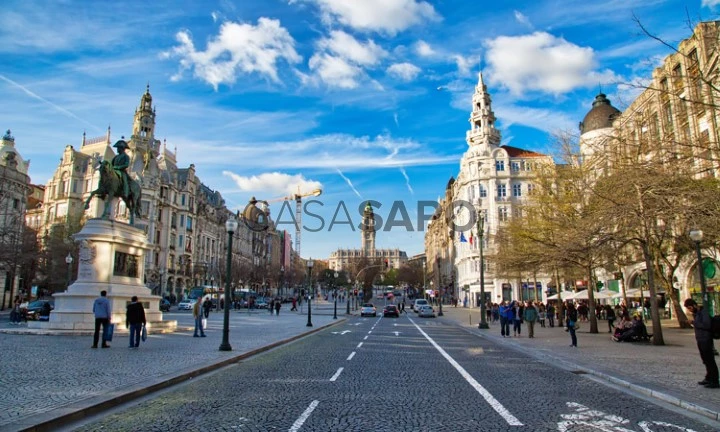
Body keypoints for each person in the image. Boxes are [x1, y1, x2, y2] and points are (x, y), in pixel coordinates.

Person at [684, 299, 718, 389]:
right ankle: (708, 377)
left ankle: (714, 380)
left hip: (706, 339)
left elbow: (706, 325)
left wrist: (693, 322)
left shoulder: (704, 312)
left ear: (694, 305)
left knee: (710, 360)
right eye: (688, 309)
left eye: (690, 308)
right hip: (700, 339)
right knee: (705, 360)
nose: (690, 310)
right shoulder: (697, 313)